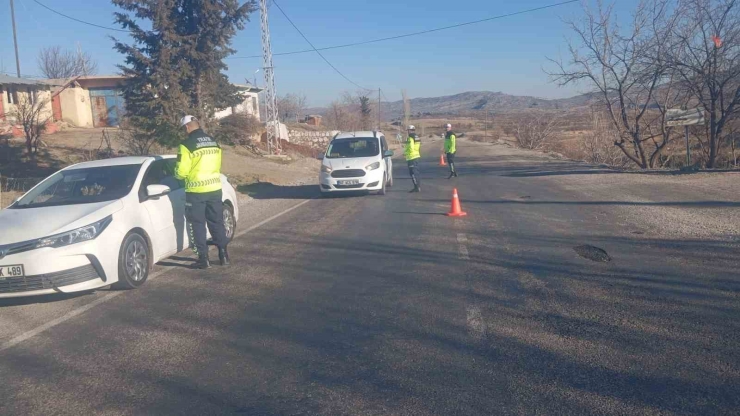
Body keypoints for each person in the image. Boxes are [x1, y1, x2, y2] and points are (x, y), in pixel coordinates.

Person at [175, 115, 230, 269]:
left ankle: (203, 259)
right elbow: (218, 164)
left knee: (197, 224)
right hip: (214, 188)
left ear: (187, 127)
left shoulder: (186, 145)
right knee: (216, 221)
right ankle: (223, 255)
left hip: (196, 190)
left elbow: (181, 171)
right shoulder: (214, 142)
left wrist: (177, 175)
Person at [405, 125, 422, 193]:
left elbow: (410, 147)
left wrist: (406, 153)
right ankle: (418, 186)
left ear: (410, 130)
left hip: (411, 157)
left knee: (412, 173)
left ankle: (416, 187)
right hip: (416, 155)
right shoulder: (417, 137)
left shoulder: (410, 138)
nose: (408, 132)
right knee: (416, 172)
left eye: (408, 130)